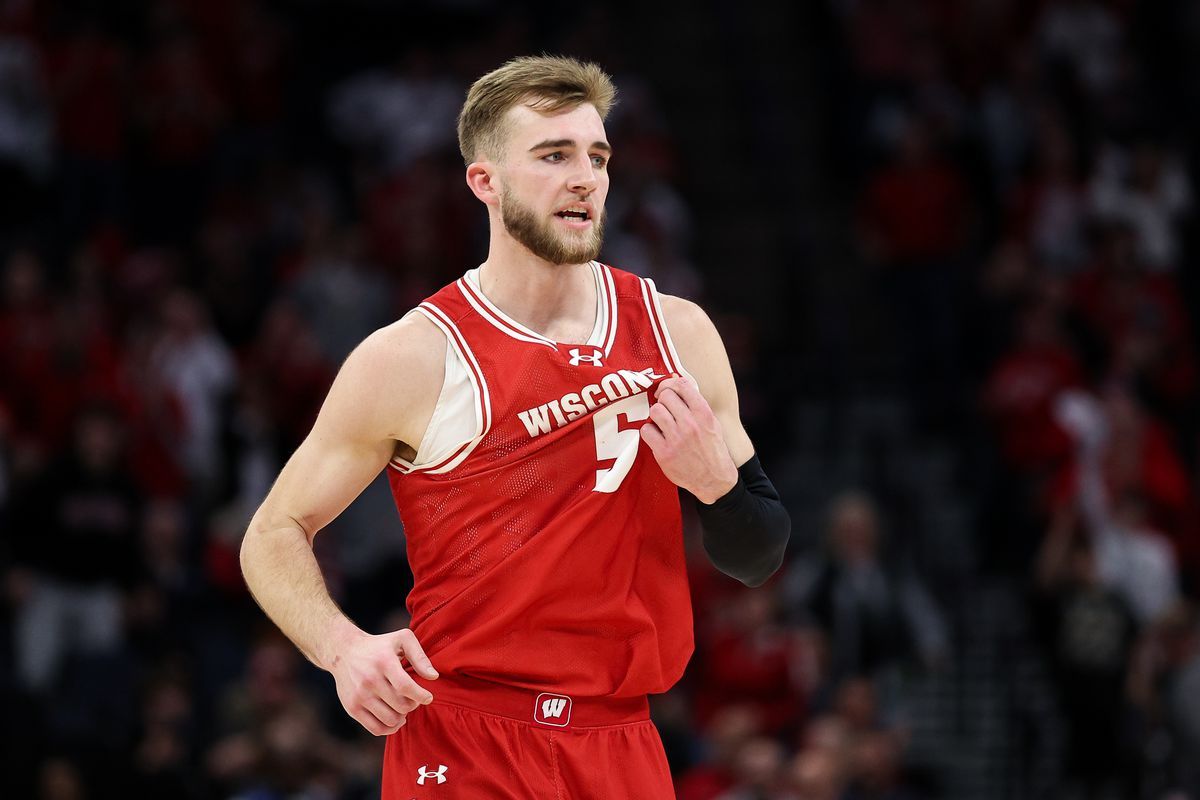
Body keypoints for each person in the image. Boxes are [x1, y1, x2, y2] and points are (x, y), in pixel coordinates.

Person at [239, 55, 790, 799]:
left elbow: (760, 552)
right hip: (466, 735)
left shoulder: (678, 333)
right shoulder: (414, 354)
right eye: (553, 155)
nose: (585, 177)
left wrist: (719, 487)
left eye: (597, 156)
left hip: (619, 735)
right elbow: (272, 533)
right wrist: (341, 649)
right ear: (484, 182)